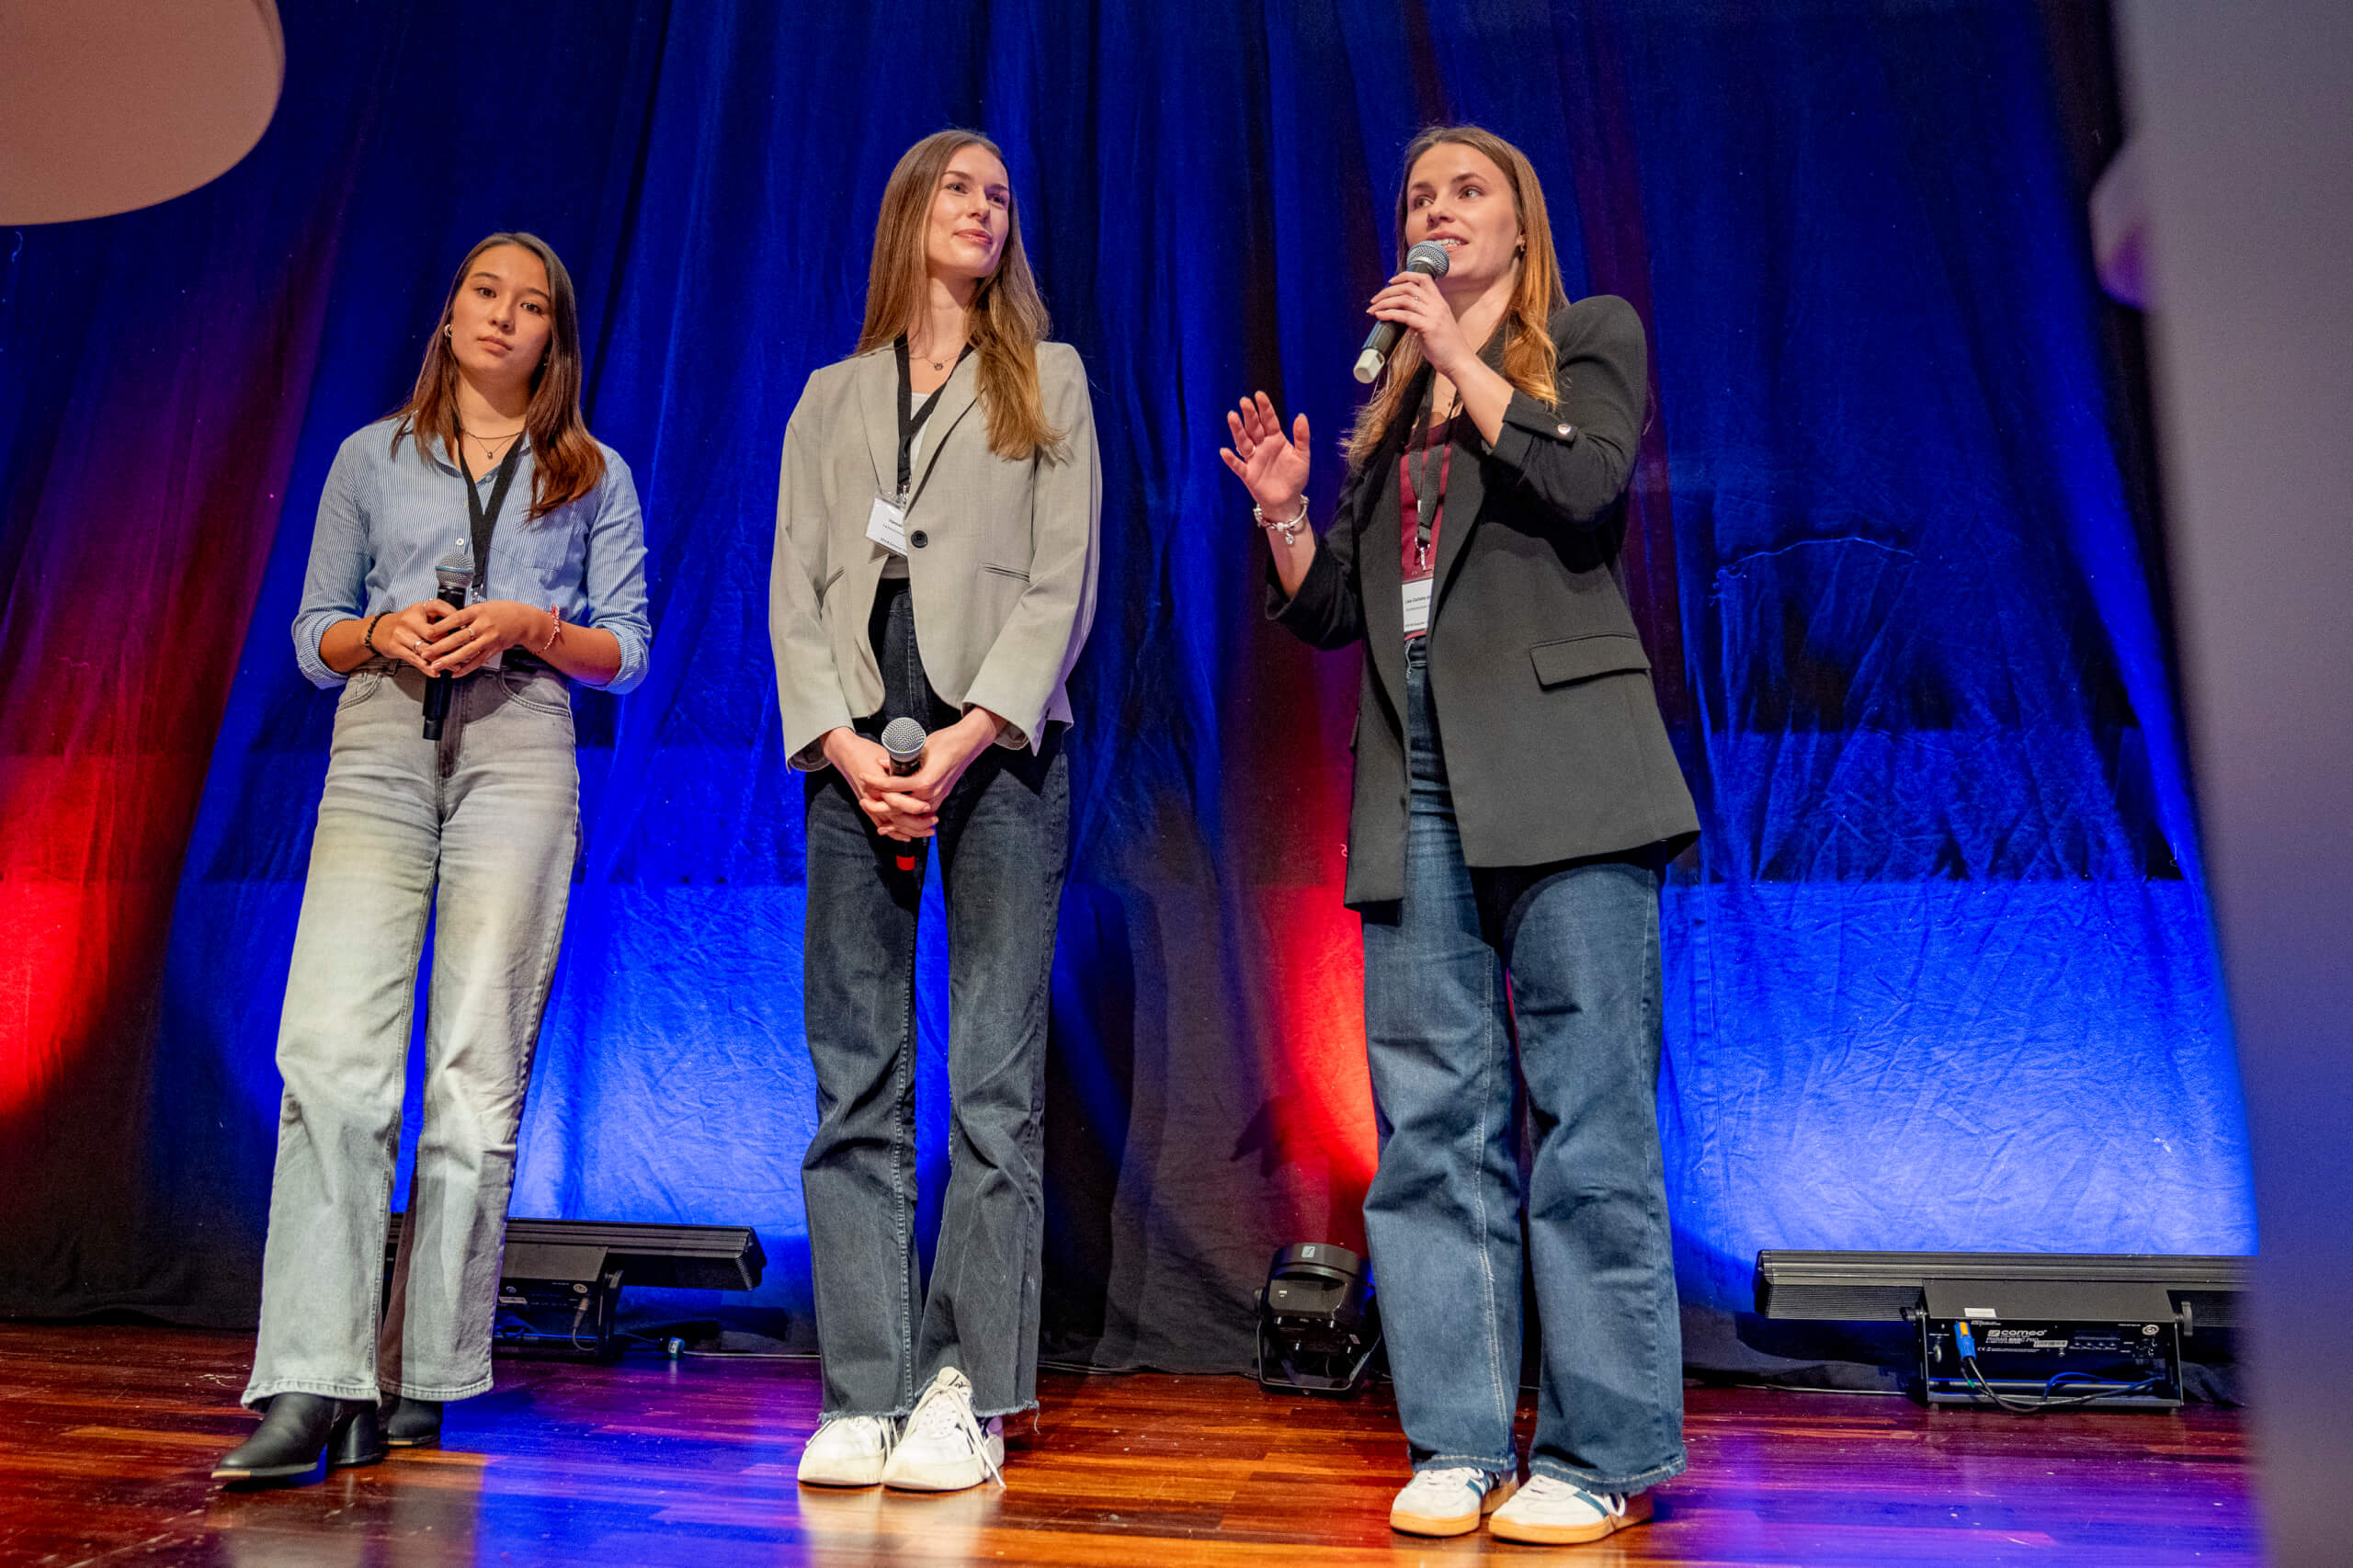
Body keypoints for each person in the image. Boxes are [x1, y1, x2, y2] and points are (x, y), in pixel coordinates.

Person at [1220, 126, 1699, 1546]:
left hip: (1565, 771)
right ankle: (1460, 1438)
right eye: (1421, 196)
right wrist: (1287, 517)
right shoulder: (1397, 411)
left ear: (1519, 223)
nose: (1437, 210)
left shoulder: (1584, 341)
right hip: (1416, 774)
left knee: (1590, 1116)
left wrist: (1458, 354)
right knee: (1430, 1124)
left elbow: (1585, 483)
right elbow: (1333, 614)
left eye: (1466, 191)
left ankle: (1601, 1451)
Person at [212, 232, 653, 1484]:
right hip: (380, 747)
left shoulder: (592, 475)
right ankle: (313, 1375)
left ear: (556, 338)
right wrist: (381, 630)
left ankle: (418, 1378)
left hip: (519, 749)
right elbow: (312, 632)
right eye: (483, 293)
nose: (502, 317)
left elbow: (629, 649)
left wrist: (530, 624)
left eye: (531, 305)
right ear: (450, 312)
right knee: (332, 1060)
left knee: (472, 1070)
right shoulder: (373, 457)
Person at [769, 130, 1100, 1494]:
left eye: (1001, 194)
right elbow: (793, 583)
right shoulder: (830, 395)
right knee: (854, 1071)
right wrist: (844, 747)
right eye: (960, 188)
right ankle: (864, 1387)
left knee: (991, 1084)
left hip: (997, 739)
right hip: (858, 733)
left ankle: (966, 1389)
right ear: (910, 210)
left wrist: (967, 736)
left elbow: (1063, 581)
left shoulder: (1047, 376)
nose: (984, 208)